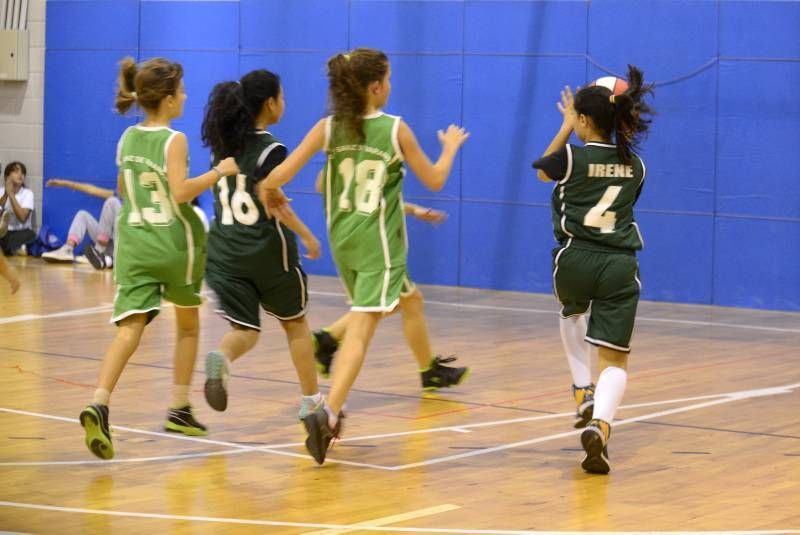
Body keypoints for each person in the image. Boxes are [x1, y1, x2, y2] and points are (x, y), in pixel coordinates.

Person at [259, 48, 469, 464]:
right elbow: (436, 179)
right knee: (362, 330)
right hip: (379, 243)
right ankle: (328, 413)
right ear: (375, 87)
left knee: (385, 308)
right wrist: (449, 147)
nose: (390, 87)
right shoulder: (394, 130)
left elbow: (280, 175)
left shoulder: (327, 128)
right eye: (388, 81)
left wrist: (269, 191)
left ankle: (345, 390)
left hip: (343, 243)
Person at [79, 56, 239, 460]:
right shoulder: (175, 139)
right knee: (187, 326)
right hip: (172, 243)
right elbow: (181, 191)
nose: (185, 96)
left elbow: (123, 188)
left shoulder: (126, 139)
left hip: (133, 243)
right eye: (182, 90)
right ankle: (180, 408)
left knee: (129, 330)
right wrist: (220, 171)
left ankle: (99, 401)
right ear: (168, 99)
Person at [531, 65, 654, 474]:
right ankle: (600, 426)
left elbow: (541, 170)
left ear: (584, 120)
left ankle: (582, 390)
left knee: (571, 312)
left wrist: (565, 127)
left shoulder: (570, 156)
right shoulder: (636, 167)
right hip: (619, 264)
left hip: (573, 259)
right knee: (616, 360)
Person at [199, 68, 325, 419]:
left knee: (244, 329)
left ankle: (221, 358)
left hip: (224, 252)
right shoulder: (271, 150)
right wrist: (308, 235)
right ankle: (312, 404)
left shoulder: (220, 147)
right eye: (282, 97)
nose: (284, 103)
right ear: (270, 103)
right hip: (264, 251)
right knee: (295, 323)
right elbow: (271, 199)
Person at [312, 200, 470, 391]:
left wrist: (413, 210)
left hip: (354, 237)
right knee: (398, 303)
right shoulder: (379, 170)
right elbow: (434, 180)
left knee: (402, 302)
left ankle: (328, 339)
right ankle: (428, 372)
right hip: (379, 242)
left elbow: (364, 192)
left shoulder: (342, 173)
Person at [41, 178, 121, 269]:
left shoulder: (134, 201)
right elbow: (91, 189)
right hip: (108, 242)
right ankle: (68, 249)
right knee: (82, 215)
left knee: (112, 201)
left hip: (122, 245)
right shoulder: (117, 195)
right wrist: (64, 183)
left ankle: (98, 254)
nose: (119, 182)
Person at [0, 162, 35, 256]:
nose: (20, 175)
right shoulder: (1, 191)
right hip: (4, 233)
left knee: (31, 235)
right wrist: (6, 195)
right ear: (7, 176)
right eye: (16, 172)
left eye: (23, 173)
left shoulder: (28, 193)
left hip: (21, 232)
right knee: (4, 237)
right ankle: (15, 249)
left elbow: (23, 218)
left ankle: (11, 249)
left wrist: (11, 195)